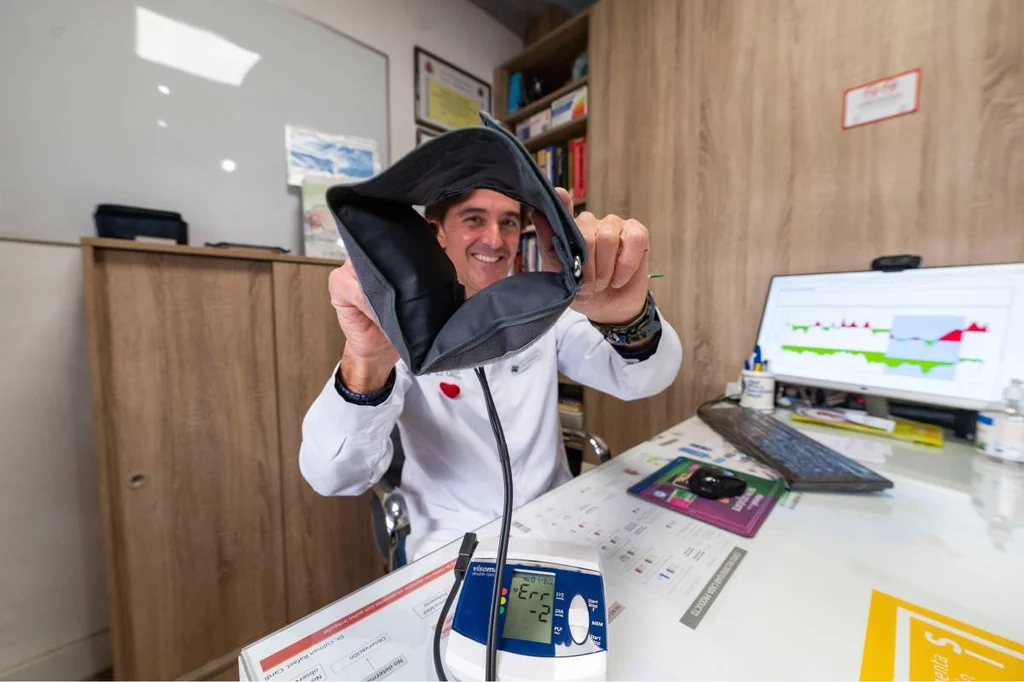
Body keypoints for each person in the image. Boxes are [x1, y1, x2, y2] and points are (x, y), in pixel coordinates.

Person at [300, 187, 682, 560]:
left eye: (509, 223)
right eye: (474, 219)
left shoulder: (546, 309)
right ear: (437, 232)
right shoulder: (395, 327)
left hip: (555, 522)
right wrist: (366, 362)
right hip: (450, 542)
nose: (495, 239)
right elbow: (334, 475)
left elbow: (643, 377)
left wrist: (627, 318)